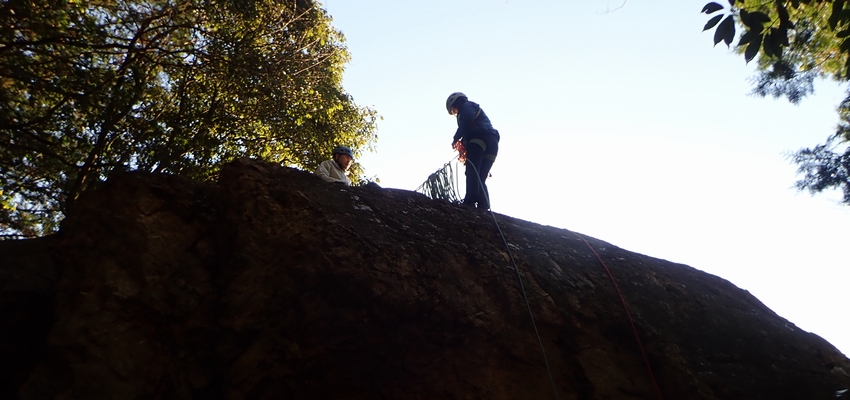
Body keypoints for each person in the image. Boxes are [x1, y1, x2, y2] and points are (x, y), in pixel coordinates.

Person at [447, 92, 500, 210]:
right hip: (492, 143)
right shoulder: (475, 108)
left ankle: (470, 201)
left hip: (478, 139)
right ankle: (484, 204)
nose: (455, 112)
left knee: (472, 171)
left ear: (456, 103)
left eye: (454, 110)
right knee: (480, 175)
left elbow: (467, 120)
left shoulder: (466, 106)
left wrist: (456, 138)